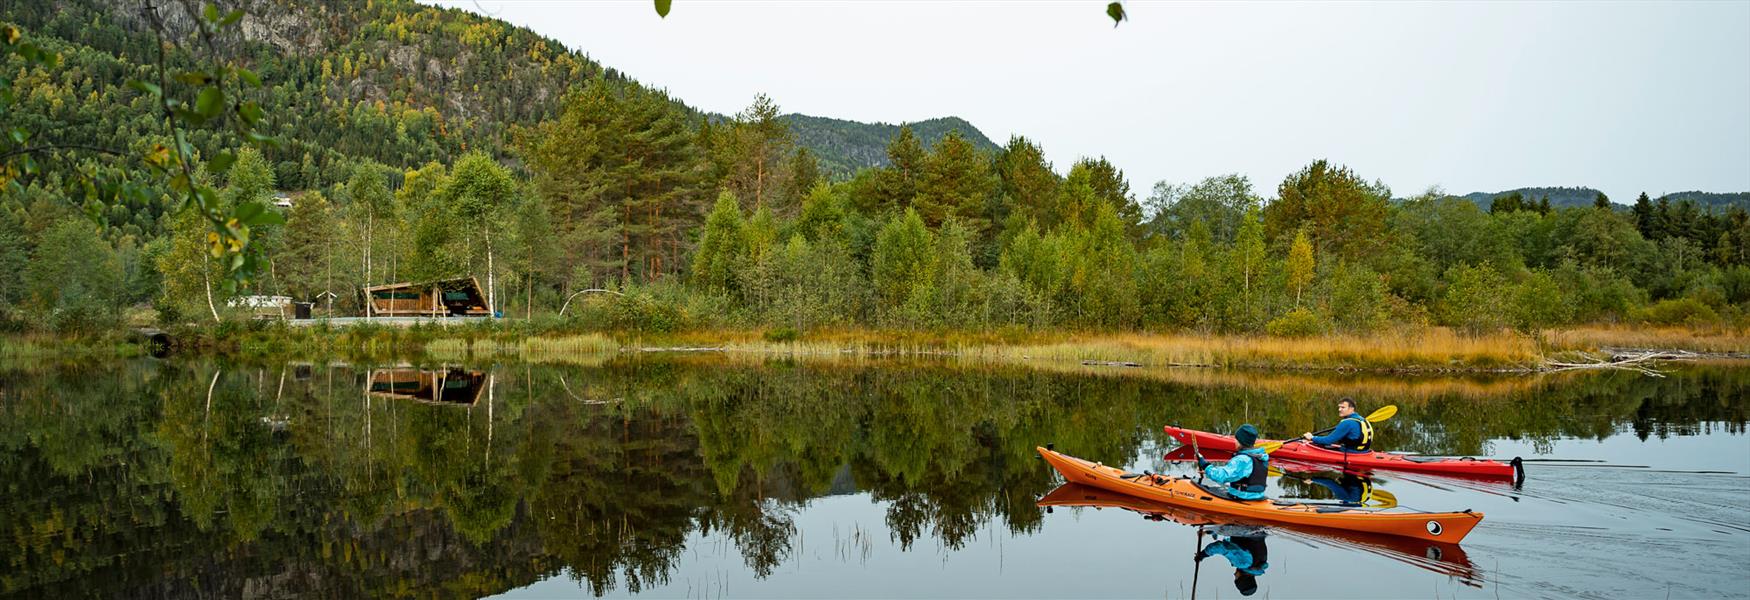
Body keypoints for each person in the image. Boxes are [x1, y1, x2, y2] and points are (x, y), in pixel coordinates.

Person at [1197, 424, 1271, 500]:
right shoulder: (1261, 456)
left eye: (1236, 439)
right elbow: (1237, 472)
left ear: (1242, 441)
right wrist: (1208, 471)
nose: (1235, 441)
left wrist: (1205, 465)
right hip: (1258, 496)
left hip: (1242, 497)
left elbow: (1222, 476)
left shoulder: (1242, 460)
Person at [1195, 529, 1269, 597]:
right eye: (1236, 578)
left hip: (1256, 530)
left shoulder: (1261, 562)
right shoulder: (1243, 564)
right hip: (1242, 527)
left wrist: (1212, 531)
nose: (1234, 574)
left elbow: (1239, 545)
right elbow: (1219, 546)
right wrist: (1202, 555)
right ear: (1242, 579)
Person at [1301, 397, 1373, 453]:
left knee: (1324, 443)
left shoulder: (1347, 422)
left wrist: (1312, 438)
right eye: (1339, 407)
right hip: (1364, 452)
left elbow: (1328, 440)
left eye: (1343, 407)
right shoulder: (1362, 419)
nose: (1339, 409)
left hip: (1351, 453)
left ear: (1351, 409)